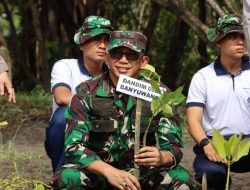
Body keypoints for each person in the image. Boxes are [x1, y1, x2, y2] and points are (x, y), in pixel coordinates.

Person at [51, 30, 196, 190]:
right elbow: (74, 147)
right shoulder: (86, 92)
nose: (123, 60)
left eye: (131, 55)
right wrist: (109, 172)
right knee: (67, 177)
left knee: (181, 178)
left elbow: (174, 147)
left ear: (143, 61)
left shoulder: (159, 94)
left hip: (143, 176)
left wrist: (162, 157)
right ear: (107, 57)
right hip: (100, 174)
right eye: (116, 54)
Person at [186, 14, 250, 190]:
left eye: (243, 37)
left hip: (248, 142)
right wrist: (206, 144)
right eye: (232, 37)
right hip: (215, 143)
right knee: (210, 173)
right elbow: (193, 120)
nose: (240, 42)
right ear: (218, 42)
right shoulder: (203, 77)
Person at [44, 15, 113, 173]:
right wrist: (102, 106)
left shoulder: (114, 72)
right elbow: (61, 97)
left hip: (104, 132)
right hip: (68, 134)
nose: (102, 45)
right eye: (96, 39)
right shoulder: (66, 66)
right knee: (63, 116)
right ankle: (60, 175)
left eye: (106, 40)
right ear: (82, 44)